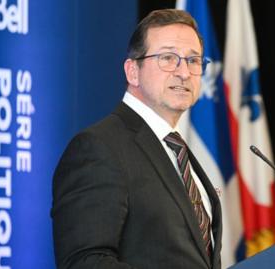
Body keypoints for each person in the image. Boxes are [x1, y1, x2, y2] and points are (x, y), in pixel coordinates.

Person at [51, 9, 222, 269]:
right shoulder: (98, 148)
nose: (184, 72)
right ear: (133, 71)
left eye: (193, 60)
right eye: (168, 58)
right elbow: (84, 262)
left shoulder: (177, 150)